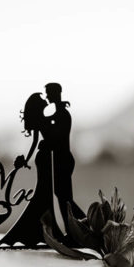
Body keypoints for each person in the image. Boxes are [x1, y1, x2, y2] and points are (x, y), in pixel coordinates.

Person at [0, 93, 57, 247]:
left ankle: (46, 229)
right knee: (44, 191)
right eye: (43, 100)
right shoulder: (44, 120)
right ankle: (45, 229)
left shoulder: (43, 120)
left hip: (45, 157)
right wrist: (26, 159)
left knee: (45, 192)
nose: (46, 101)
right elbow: (37, 142)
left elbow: (36, 142)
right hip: (44, 159)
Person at [43, 83, 84, 232]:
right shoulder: (59, 113)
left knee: (65, 199)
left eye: (48, 93)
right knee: (62, 197)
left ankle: (83, 226)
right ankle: (73, 229)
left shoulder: (62, 114)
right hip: (60, 159)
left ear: (55, 93)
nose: (46, 96)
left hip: (63, 160)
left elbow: (56, 137)